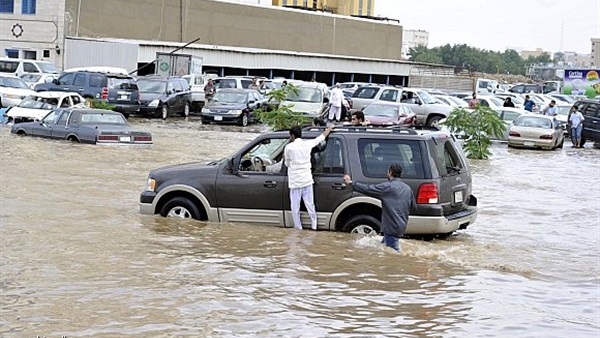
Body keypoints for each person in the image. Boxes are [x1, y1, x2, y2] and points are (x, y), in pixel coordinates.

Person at [342, 163, 415, 252]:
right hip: (401, 226)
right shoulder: (408, 189)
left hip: (391, 227)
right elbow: (413, 207)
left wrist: (351, 183)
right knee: (384, 246)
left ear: (390, 172)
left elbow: (367, 189)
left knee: (393, 254)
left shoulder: (388, 187)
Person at [284, 125, 335, 230]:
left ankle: (298, 228)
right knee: (310, 204)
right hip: (307, 179)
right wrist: (329, 129)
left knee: (295, 205)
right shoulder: (308, 144)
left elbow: (287, 163)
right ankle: (314, 225)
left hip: (295, 181)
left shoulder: (289, 147)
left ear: (292, 136)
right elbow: (321, 138)